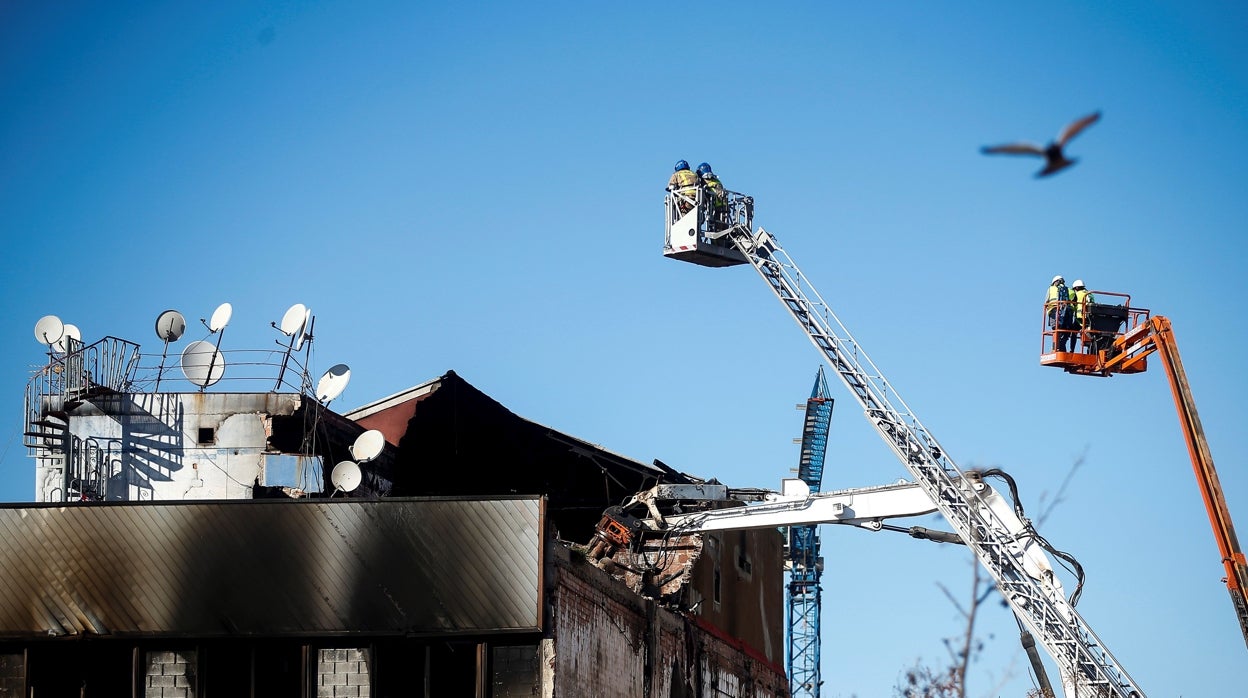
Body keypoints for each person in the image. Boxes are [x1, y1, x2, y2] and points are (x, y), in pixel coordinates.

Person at [1045, 275, 1074, 352]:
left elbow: (1046, 301)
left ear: (1054, 282)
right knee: (1065, 330)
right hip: (1066, 312)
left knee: (1056, 329)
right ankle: (1062, 348)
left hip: (1054, 311)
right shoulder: (1069, 290)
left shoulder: (1050, 289)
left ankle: (1055, 348)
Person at [696, 162, 728, 227]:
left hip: (717, 207)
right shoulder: (716, 180)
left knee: (717, 227)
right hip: (723, 206)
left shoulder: (705, 182)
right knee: (722, 226)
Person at [1070, 279, 1096, 352]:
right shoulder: (1090, 294)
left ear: (1077, 288)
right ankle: (1091, 349)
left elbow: (1072, 303)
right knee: (1089, 333)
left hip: (1080, 317)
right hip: (1090, 317)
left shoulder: (1078, 294)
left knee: (1073, 332)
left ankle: (1072, 350)